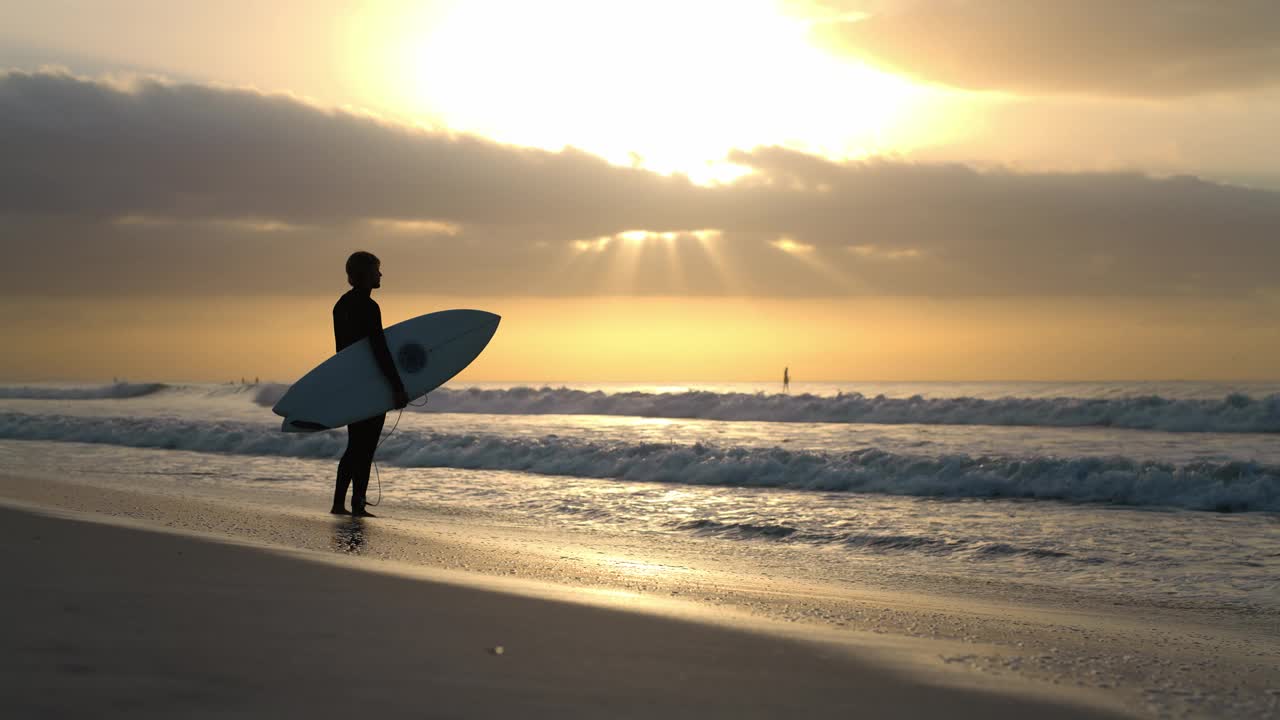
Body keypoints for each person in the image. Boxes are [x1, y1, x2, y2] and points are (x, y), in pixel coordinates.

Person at [331, 251, 408, 517]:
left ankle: (339, 503)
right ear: (365, 274)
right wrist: (397, 386)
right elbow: (379, 349)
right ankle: (358, 504)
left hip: (350, 383)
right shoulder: (369, 307)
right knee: (365, 446)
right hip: (372, 384)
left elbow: (343, 351)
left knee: (355, 444)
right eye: (377, 270)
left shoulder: (341, 305)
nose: (380, 274)